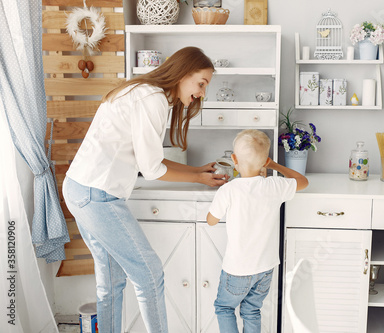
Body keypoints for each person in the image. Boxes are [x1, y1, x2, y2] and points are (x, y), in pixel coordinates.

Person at [62, 46, 227, 333]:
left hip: (81, 189)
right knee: (149, 273)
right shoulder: (153, 99)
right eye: (201, 83)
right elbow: (151, 169)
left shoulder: (141, 90)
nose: (202, 93)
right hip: (96, 194)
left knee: (111, 281)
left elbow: (149, 159)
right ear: (183, 73)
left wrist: (197, 173)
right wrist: (197, 178)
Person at [206, 129, 309, 333]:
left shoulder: (229, 190)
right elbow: (303, 182)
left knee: (224, 307)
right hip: (265, 268)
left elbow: (211, 221)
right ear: (265, 162)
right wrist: (273, 165)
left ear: (234, 158)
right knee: (252, 311)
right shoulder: (274, 186)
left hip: (237, 269)